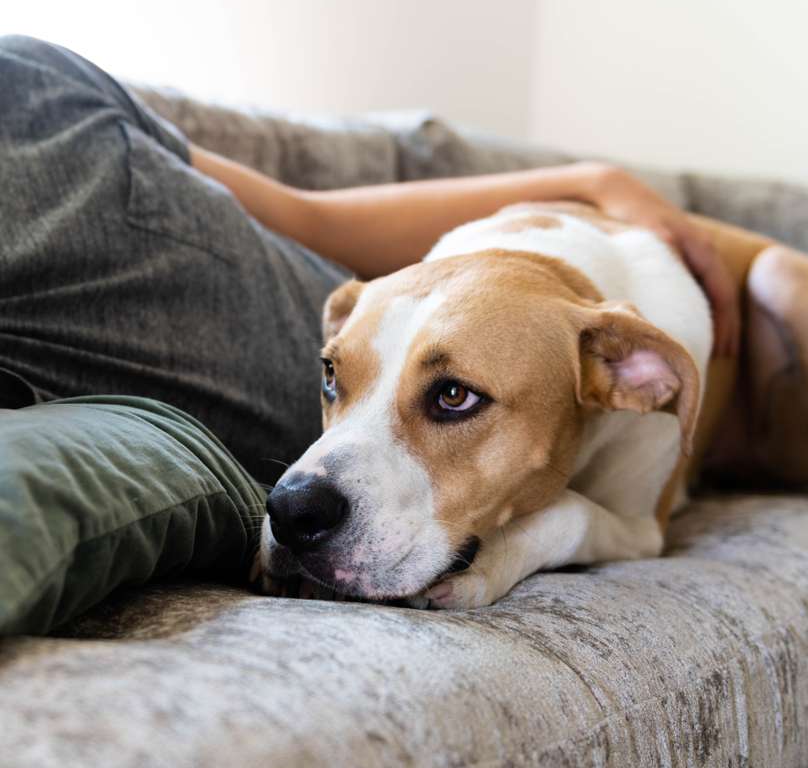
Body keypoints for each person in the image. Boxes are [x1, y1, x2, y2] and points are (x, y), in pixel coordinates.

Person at [0, 35, 738, 487]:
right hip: (361, 435)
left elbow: (308, 215)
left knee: (778, 282)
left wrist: (591, 182)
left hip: (431, 315)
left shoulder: (34, 80)